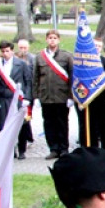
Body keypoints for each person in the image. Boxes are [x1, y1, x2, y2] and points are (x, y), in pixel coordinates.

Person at [33, 29, 75, 159]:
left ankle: (63, 148)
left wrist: (71, 96)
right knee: (49, 124)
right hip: (46, 97)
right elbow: (35, 78)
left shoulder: (66, 56)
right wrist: (36, 97)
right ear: (46, 39)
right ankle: (53, 148)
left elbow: (73, 77)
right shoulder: (40, 57)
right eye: (50, 38)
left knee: (62, 123)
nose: (52, 40)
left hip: (62, 96)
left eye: (54, 38)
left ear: (59, 40)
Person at [0, 40, 33, 158]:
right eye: (3, 51)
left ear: (12, 51)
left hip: (18, 98)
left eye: (7, 51)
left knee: (21, 125)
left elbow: (28, 81)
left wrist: (27, 97)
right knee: (5, 125)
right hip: (4, 98)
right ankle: (10, 150)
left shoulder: (21, 64)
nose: (5, 53)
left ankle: (22, 150)